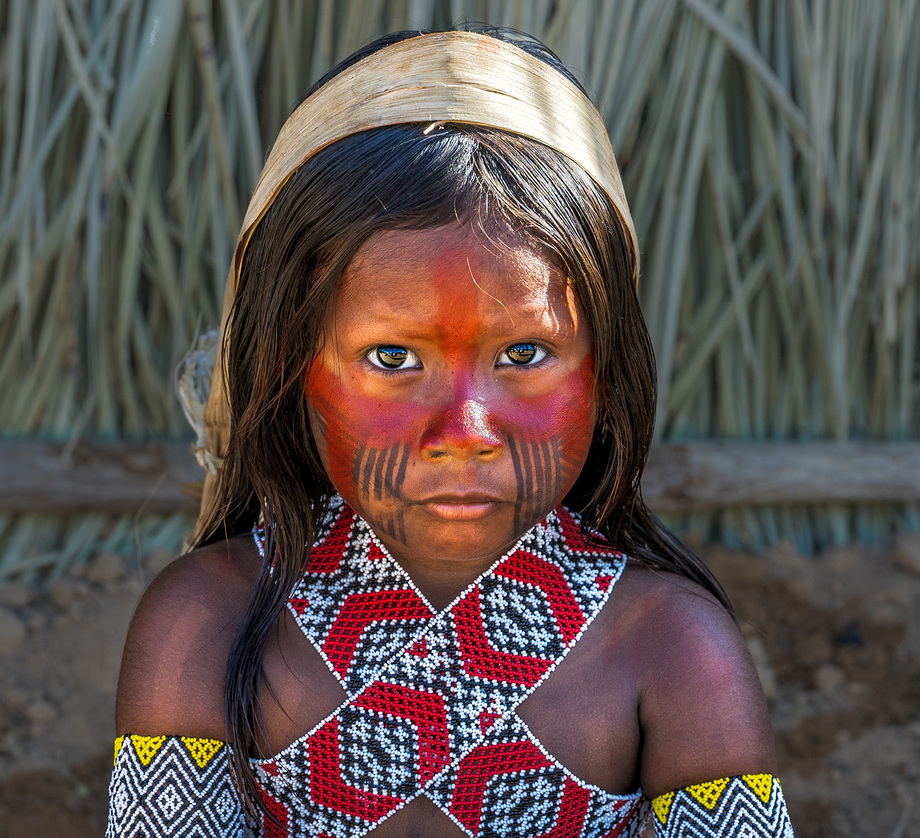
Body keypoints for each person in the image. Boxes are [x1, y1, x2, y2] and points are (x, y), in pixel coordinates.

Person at [107, 25, 795, 838]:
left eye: (525, 352)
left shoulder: (674, 649)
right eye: (392, 357)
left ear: (606, 371)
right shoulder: (205, 623)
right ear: (289, 370)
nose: (464, 430)